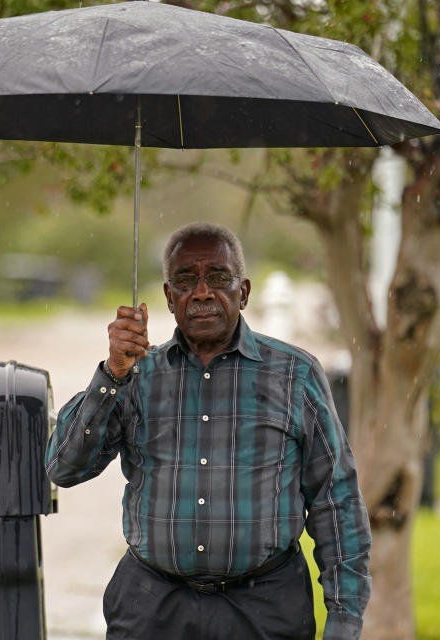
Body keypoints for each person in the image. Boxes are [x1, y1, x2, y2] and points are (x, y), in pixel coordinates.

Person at [45, 222, 371, 640]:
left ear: (245, 292)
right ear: (168, 297)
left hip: (266, 610)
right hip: (151, 608)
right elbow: (64, 467)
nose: (201, 292)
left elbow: (336, 500)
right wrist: (113, 373)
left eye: (218, 278)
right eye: (185, 280)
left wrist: (344, 618)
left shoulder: (295, 374)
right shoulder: (134, 375)